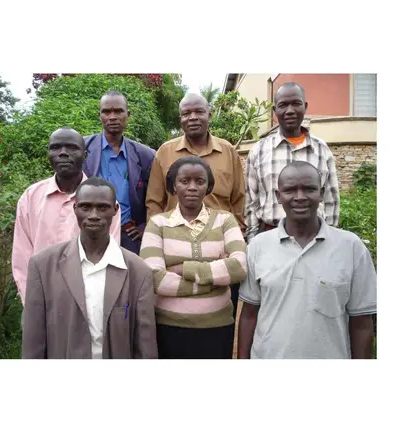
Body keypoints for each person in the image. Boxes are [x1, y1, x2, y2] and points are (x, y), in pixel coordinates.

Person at [238, 161, 376, 359]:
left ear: (321, 193)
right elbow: (249, 314)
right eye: (290, 190)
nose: (300, 197)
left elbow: (361, 323)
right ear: (278, 196)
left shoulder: (351, 247)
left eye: (309, 189)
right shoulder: (258, 247)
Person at [22, 177, 157, 359]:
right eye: (85, 207)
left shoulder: (139, 271)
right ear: (75, 208)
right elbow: (33, 341)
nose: (94, 215)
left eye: (103, 208)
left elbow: (145, 345)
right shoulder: (43, 266)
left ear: (115, 210)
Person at [145, 93, 246, 321]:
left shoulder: (228, 151)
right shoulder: (165, 152)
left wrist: (236, 241)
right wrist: (157, 242)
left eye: (199, 112)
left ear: (210, 114)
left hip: (219, 251)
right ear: (180, 118)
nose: (192, 117)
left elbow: (239, 198)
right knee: (172, 312)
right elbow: (154, 201)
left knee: (221, 312)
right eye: (186, 113)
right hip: (175, 250)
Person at [140, 157, 247, 359]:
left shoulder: (225, 220)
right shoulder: (157, 224)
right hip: (168, 328)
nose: (192, 187)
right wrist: (215, 279)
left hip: (218, 328)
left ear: (208, 186)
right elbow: (154, 278)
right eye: (184, 181)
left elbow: (239, 267)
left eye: (199, 181)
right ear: (174, 186)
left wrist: (182, 269)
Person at [12, 127, 121, 304]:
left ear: (84, 155)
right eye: (55, 147)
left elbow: (110, 252)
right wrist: (31, 302)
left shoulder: (105, 199)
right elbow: (21, 256)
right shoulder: (31, 197)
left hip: (89, 300)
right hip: (40, 296)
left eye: (71, 147)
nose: (63, 153)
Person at [245, 82, 340, 242]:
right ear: (274, 111)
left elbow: (331, 199)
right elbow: (251, 201)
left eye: (296, 103)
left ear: (305, 107)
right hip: (270, 237)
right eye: (283, 105)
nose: (290, 111)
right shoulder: (258, 151)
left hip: (315, 238)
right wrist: (253, 241)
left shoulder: (321, 149)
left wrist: (329, 240)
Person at [83, 91, 156, 255]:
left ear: (127, 115)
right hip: (88, 234)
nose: (112, 117)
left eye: (118, 111)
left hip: (128, 235)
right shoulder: (82, 148)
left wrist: (145, 227)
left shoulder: (145, 155)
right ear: (99, 115)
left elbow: (155, 197)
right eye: (106, 112)